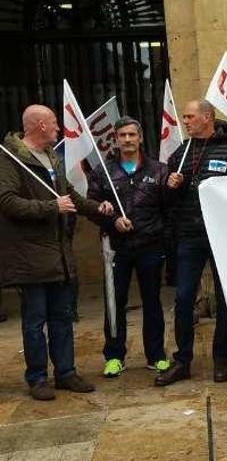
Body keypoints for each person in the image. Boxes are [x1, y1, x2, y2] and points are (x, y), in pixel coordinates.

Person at [0, 104, 115, 400]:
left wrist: (97, 209)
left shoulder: (53, 157)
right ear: (39, 126)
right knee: (35, 321)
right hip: (31, 257)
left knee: (63, 318)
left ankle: (65, 372)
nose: (58, 129)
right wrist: (52, 207)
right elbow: (8, 202)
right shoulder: (11, 159)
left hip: (59, 255)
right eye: (53, 123)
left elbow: (70, 196)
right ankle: (37, 378)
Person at [157, 99, 227, 386]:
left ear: (208, 117)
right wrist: (172, 187)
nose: (186, 122)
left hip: (221, 235)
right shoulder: (182, 152)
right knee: (183, 299)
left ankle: (221, 358)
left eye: (191, 116)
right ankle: (182, 360)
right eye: (184, 117)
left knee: (224, 298)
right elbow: (167, 201)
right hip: (189, 235)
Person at [87, 116, 170, 378]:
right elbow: (91, 206)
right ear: (115, 139)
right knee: (115, 302)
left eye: (131, 135)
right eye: (122, 135)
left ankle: (156, 356)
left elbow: (168, 207)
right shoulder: (103, 171)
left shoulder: (158, 170)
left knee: (152, 302)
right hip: (116, 248)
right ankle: (114, 356)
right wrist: (111, 219)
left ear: (140, 138)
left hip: (150, 246)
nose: (127, 140)